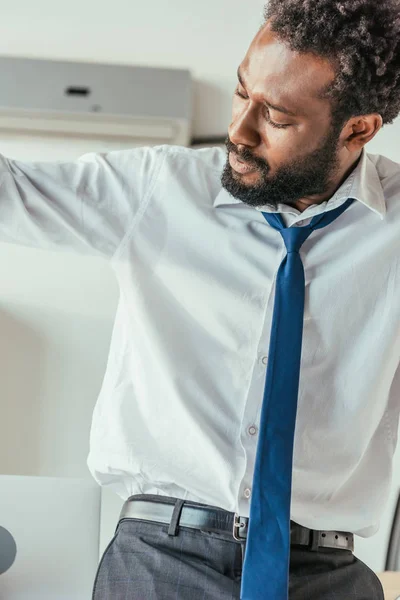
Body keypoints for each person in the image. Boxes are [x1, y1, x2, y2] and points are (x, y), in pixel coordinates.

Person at [1, 0, 399, 597]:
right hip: (160, 563)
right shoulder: (161, 189)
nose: (238, 130)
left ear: (358, 128)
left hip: (327, 576)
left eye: (277, 117)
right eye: (242, 93)